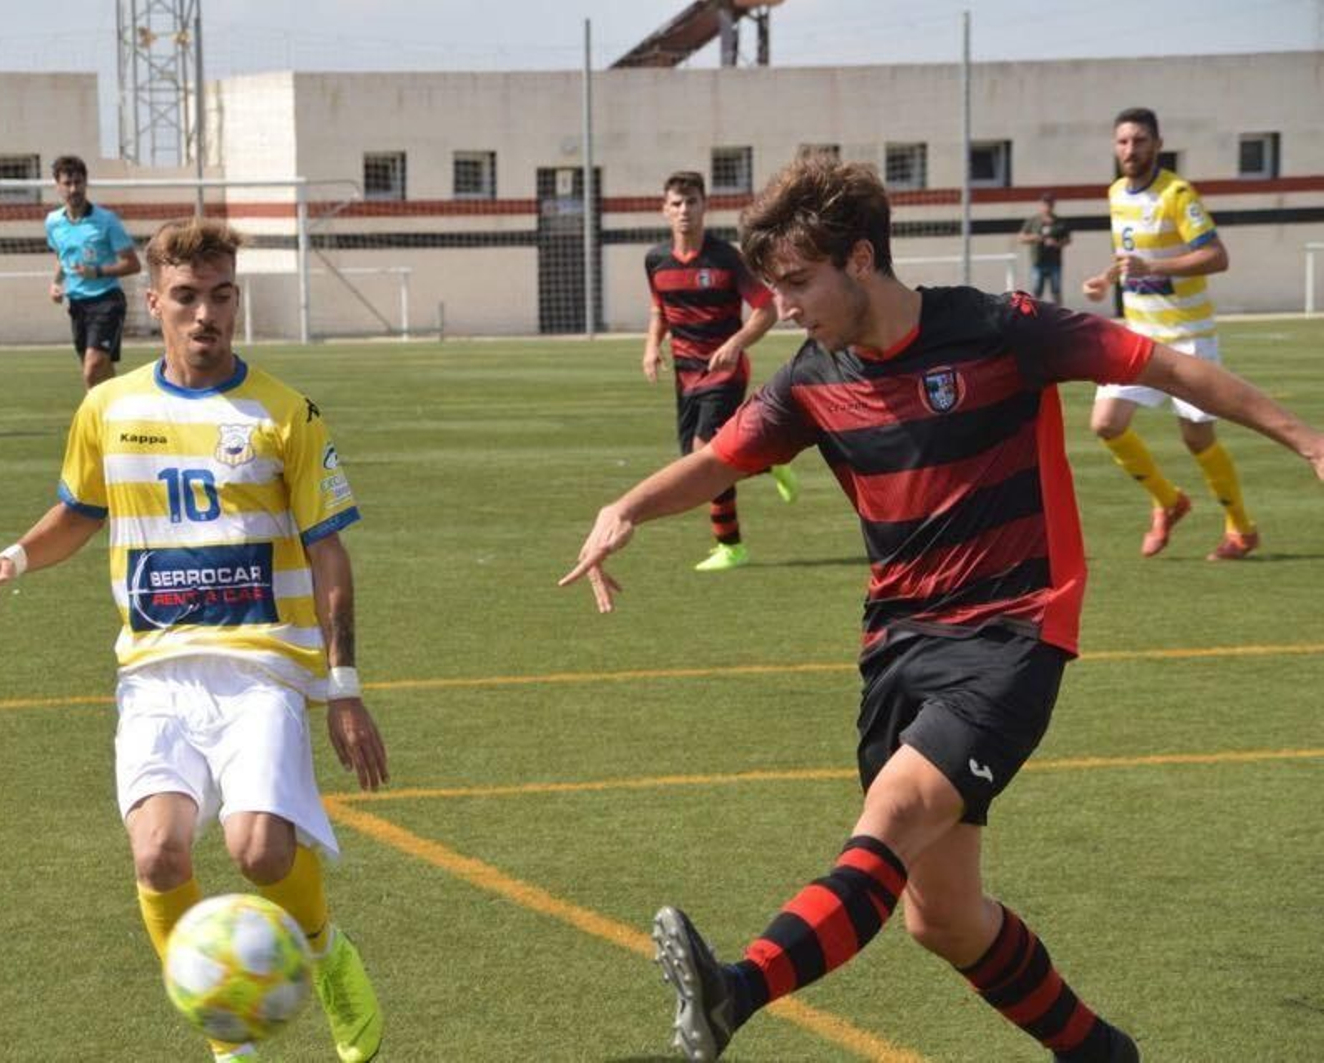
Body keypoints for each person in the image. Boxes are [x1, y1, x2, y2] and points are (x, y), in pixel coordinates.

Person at [561, 157, 1324, 1063]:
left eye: (799, 282)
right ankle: (1101, 1054)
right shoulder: (810, 378)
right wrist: (627, 508)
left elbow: (1161, 364)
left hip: (1011, 633)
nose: (786, 306)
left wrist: (1308, 440)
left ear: (862, 257)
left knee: (887, 821)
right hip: (897, 646)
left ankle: (736, 988)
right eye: (776, 287)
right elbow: (722, 459)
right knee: (945, 918)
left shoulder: (1002, 330)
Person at [0, 218, 387, 1063]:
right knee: (158, 853)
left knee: (260, 850)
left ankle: (325, 952)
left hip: (260, 667)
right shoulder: (109, 408)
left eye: (221, 295)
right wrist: (14, 554)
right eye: (187, 297)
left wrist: (342, 689)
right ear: (152, 302)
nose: (206, 315)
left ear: (237, 300)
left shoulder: (284, 413)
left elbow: (328, 550)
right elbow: (78, 515)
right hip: (154, 674)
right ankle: (228, 1041)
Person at [1082, 107, 1258, 560]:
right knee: (1105, 423)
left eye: (1139, 141)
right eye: (1122, 141)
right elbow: (1130, 254)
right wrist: (1106, 278)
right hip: (1139, 334)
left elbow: (1218, 257)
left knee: (1197, 438)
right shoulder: (1116, 193)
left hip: (1188, 337)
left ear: (1158, 145)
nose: (1130, 149)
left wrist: (1153, 266)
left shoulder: (1178, 194)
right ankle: (1168, 501)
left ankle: (1241, 528)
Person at [644, 170, 798, 573]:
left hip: (724, 372)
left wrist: (735, 344)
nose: (684, 211)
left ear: (704, 206)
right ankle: (767, 463)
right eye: (676, 203)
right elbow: (660, 309)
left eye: (691, 202)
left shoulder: (727, 258)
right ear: (664, 210)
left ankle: (731, 547)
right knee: (693, 464)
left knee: (703, 456)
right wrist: (650, 346)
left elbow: (765, 308)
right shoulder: (655, 260)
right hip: (685, 374)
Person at [45, 154, 142, 389]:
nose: (74, 189)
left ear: (86, 183)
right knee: (101, 371)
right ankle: (117, 410)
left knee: (92, 369)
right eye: (67, 183)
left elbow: (133, 264)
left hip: (107, 301)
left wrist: (96, 272)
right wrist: (56, 284)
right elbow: (61, 256)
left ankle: (96, 421)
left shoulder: (106, 220)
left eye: (78, 182)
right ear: (57, 185)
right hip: (77, 304)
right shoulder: (53, 222)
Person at [1019, 192, 1071, 304]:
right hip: (1038, 262)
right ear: (1041, 205)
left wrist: (1056, 243)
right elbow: (1022, 237)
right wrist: (1035, 237)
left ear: (1053, 205)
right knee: (1036, 291)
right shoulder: (1033, 221)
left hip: (1054, 262)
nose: (1047, 207)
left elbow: (1067, 239)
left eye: (1050, 204)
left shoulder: (1059, 222)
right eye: (1045, 204)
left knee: (1056, 290)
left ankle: (1059, 317)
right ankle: (1035, 317)